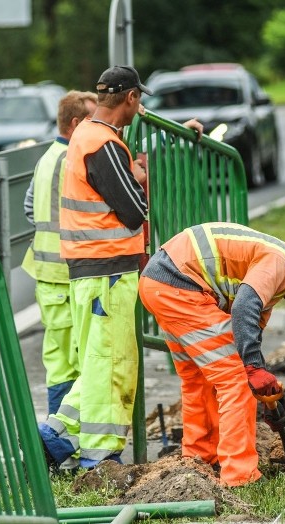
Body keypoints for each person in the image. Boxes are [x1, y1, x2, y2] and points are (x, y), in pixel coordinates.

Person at [38, 65, 202, 471]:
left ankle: (53, 441)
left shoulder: (90, 136)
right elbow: (133, 211)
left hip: (92, 272)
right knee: (113, 366)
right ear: (130, 97)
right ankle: (99, 459)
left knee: (99, 362)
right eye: (139, 99)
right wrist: (139, 177)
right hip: (107, 272)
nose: (141, 106)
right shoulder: (103, 144)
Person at [138, 223, 285, 486]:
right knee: (237, 380)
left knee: (200, 380)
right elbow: (243, 308)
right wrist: (253, 369)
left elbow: (246, 338)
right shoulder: (281, 264)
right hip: (182, 288)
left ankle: (199, 459)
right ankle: (240, 475)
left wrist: (264, 389)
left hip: (159, 284)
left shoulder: (268, 269)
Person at [22, 90, 98, 416]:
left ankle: (59, 450)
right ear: (76, 123)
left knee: (59, 362)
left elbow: (29, 208)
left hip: (48, 276)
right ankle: (62, 442)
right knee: (82, 361)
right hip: (65, 274)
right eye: (95, 121)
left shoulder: (47, 156)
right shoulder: (72, 160)